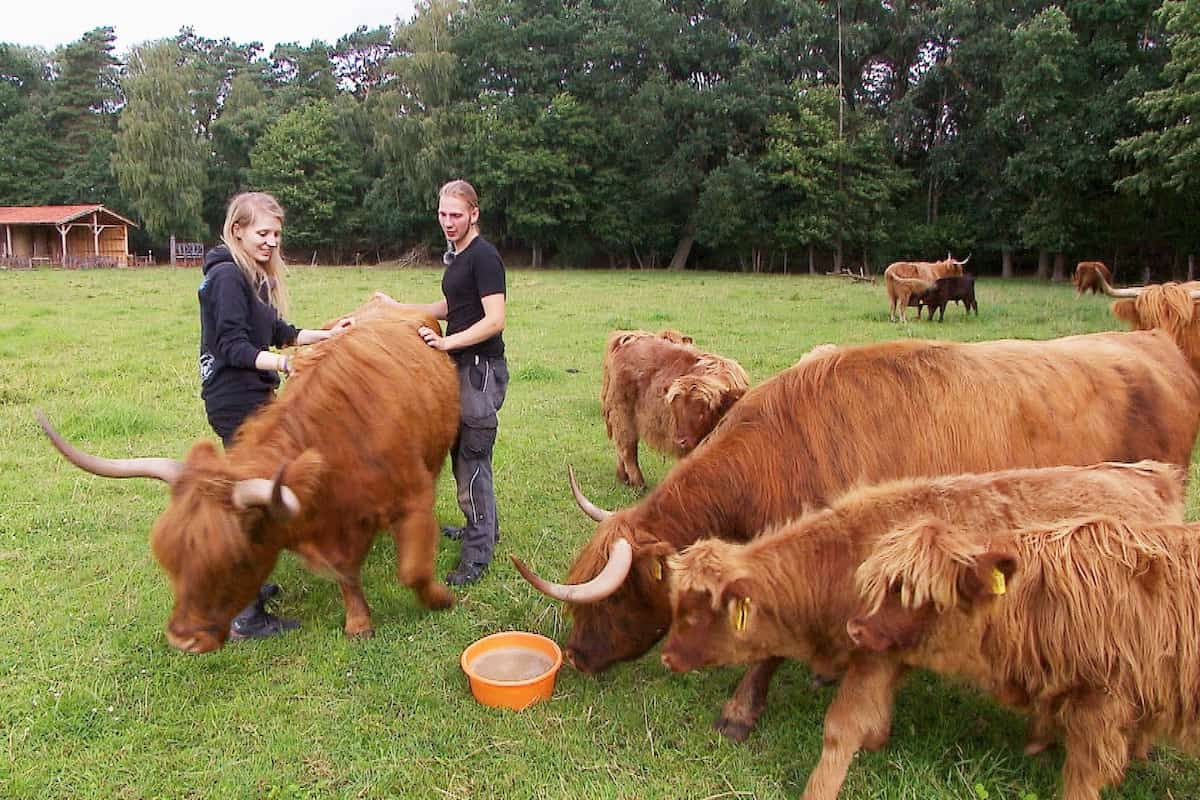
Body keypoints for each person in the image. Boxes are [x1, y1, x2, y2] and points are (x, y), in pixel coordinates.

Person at [198, 191, 353, 638]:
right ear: (238, 229)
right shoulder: (227, 277)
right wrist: (285, 364)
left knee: (259, 494)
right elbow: (232, 347)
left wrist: (325, 335)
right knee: (254, 500)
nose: (270, 242)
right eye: (262, 233)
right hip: (236, 400)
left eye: (276, 235)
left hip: (250, 396)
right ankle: (245, 613)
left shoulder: (247, 276)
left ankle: (250, 588)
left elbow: (276, 330)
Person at [375, 179, 508, 586]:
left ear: (474, 214)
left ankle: (479, 551)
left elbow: (493, 319)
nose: (448, 222)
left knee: (472, 456)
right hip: (458, 366)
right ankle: (477, 528)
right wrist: (402, 310)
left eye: (456, 215)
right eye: (442, 214)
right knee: (457, 450)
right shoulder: (459, 257)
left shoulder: (485, 257)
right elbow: (453, 306)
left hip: (481, 368)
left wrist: (447, 341)